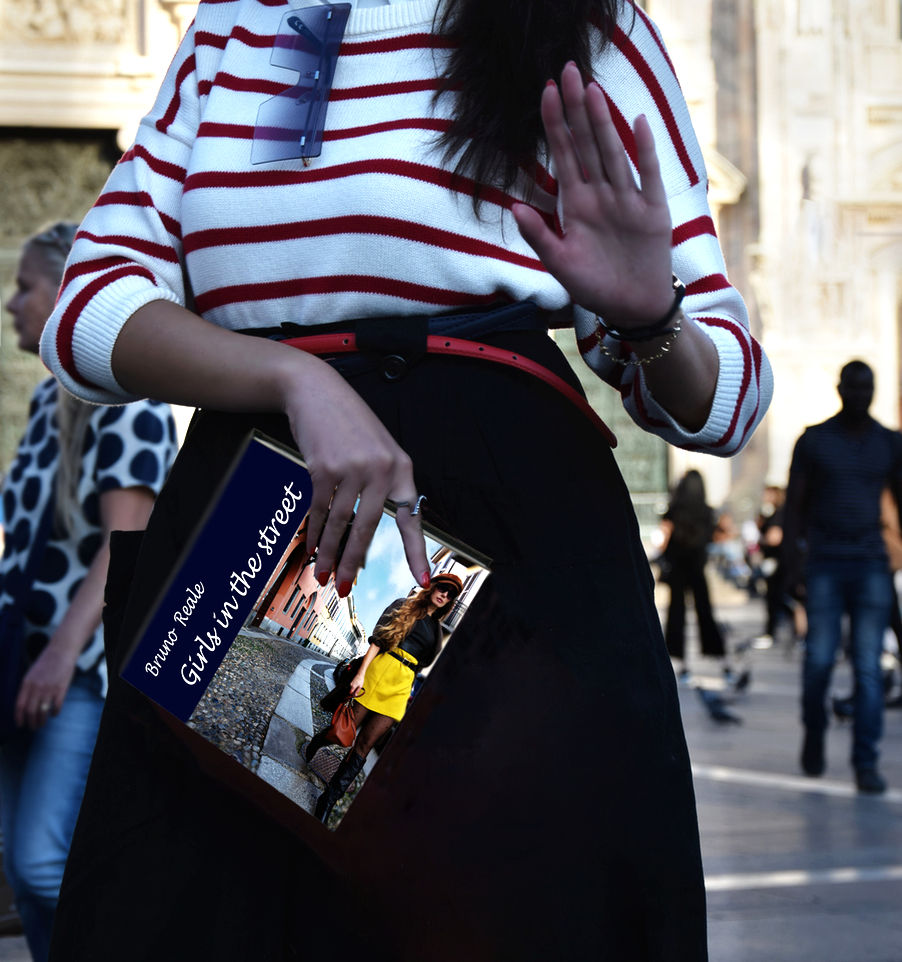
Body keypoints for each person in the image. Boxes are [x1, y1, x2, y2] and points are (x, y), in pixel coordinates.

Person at [39, 2, 772, 958]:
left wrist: (650, 316)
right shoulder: (237, 22)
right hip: (260, 522)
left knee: (526, 915)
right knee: (224, 911)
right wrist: (293, 379)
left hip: (518, 545)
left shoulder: (586, 24)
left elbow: (727, 402)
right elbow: (86, 307)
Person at [0, 222, 178, 961]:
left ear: (66, 293)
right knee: (22, 862)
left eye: (25, 287)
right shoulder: (49, 405)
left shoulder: (130, 400)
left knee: (46, 863)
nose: (12, 304)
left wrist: (59, 658)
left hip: (75, 672)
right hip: (24, 660)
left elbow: (122, 546)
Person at [783, 360, 902, 795]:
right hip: (825, 564)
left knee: (869, 669)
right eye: (853, 387)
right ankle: (815, 729)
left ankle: (865, 762)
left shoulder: (889, 443)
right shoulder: (814, 441)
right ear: (840, 389)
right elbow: (793, 508)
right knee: (818, 662)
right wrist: (791, 568)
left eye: (866, 387)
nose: (859, 394)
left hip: (870, 563)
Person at [307, 571, 462, 823]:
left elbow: (422, 664)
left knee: (365, 745)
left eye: (451, 594)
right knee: (345, 728)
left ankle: (328, 798)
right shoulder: (405, 605)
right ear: (432, 587)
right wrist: (360, 674)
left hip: (400, 687)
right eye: (443, 588)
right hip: (379, 671)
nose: (445, 594)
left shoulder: (436, 633)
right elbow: (378, 642)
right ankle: (319, 741)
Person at [660, 470, 732, 683]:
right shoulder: (707, 512)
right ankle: (721, 661)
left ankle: (679, 663)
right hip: (697, 569)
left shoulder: (674, 510)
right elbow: (719, 535)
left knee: (676, 614)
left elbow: (664, 537)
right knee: (705, 613)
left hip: (677, 569)